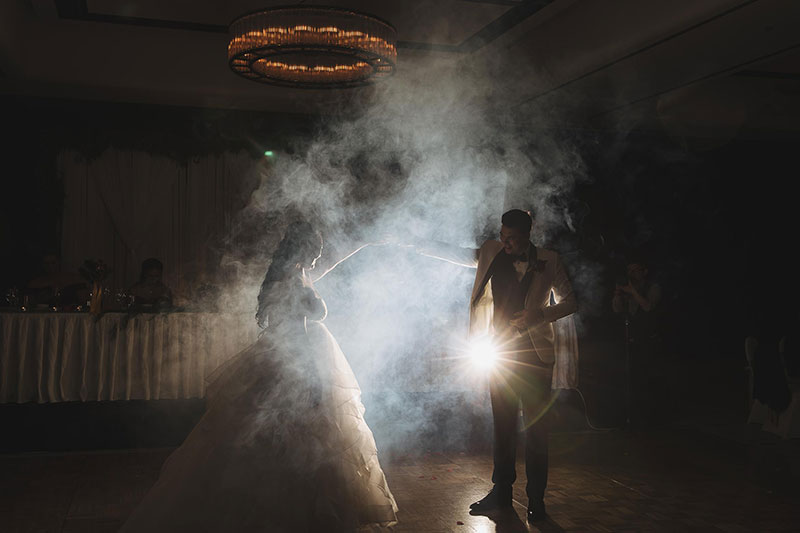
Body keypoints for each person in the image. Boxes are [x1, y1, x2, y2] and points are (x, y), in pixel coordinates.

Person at [119, 220, 397, 533]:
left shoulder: (293, 273)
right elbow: (300, 325)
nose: (320, 255)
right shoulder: (293, 279)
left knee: (276, 434)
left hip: (289, 355)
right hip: (300, 359)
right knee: (303, 434)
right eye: (316, 248)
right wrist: (313, 380)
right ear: (302, 248)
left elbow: (328, 269)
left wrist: (364, 244)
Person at [414, 209, 577, 523]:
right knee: (502, 428)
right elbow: (459, 255)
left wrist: (539, 315)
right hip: (500, 354)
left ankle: (537, 501)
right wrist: (420, 245)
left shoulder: (550, 260)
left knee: (536, 432)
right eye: (503, 237)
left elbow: (572, 301)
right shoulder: (491, 251)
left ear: (528, 235)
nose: (506, 244)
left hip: (536, 357)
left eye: (512, 239)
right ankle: (501, 493)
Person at [612, 257, 663, 427]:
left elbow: (648, 306)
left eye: (635, 270)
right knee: (631, 379)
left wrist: (632, 291)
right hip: (632, 340)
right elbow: (617, 309)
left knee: (649, 379)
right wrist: (618, 293)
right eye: (629, 271)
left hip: (650, 340)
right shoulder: (628, 288)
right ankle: (632, 417)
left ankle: (651, 418)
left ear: (644, 271)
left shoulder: (653, 287)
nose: (632, 274)